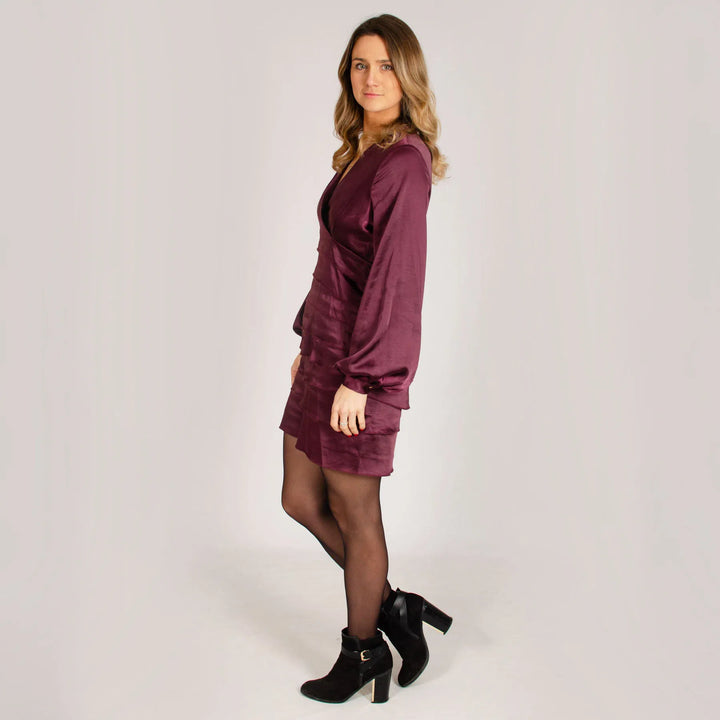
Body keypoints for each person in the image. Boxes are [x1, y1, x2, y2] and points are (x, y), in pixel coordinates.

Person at [278, 14, 452, 704]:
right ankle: (396, 608)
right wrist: (307, 340)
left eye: (384, 66)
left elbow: (395, 282)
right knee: (299, 498)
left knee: (356, 511)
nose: (371, 78)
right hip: (325, 354)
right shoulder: (363, 151)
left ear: (407, 77)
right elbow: (337, 263)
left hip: (362, 369)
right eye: (359, 65)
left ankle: (363, 651)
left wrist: (364, 377)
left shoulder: (404, 162)